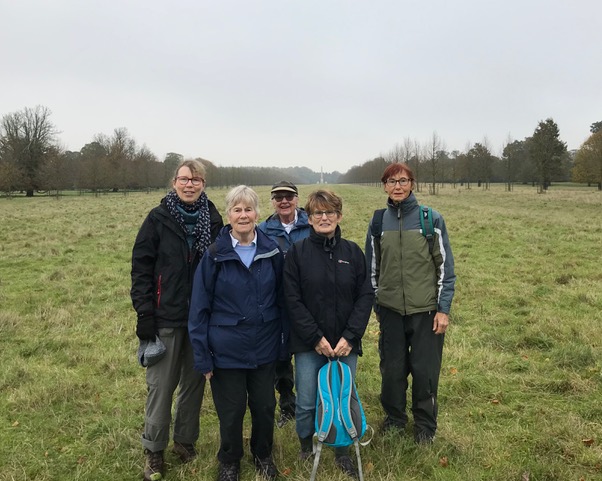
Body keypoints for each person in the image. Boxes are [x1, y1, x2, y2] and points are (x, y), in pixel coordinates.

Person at [130, 159, 224, 481]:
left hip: (200, 320)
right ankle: (154, 451)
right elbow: (141, 268)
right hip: (165, 318)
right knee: (161, 387)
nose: (189, 184)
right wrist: (144, 313)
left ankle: (185, 442)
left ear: (203, 183)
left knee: (194, 385)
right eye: (184, 179)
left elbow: (219, 268)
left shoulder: (212, 219)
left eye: (196, 179)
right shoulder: (157, 219)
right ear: (174, 182)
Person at [188, 185, 286, 481]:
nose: (243, 215)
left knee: (265, 407)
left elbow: (284, 302)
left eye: (248, 209)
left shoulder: (273, 252)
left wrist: (284, 348)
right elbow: (198, 309)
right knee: (230, 412)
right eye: (237, 210)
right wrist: (203, 357)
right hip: (226, 352)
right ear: (228, 214)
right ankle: (229, 461)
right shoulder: (214, 255)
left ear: (258, 213)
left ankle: (263, 455)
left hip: (264, 348)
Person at [283, 190, 373, 479]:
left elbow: (365, 295)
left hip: (346, 345)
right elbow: (292, 299)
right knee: (308, 400)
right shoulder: (297, 253)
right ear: (308, 219)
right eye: (317, 213)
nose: (324, 218)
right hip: (310, 345)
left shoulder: (352, 252)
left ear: (339, 216)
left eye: (329, 212)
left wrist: (351, 336)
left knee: (341, 397)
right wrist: (315, 338)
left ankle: (342, 449)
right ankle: (306, 445)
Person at [364, 163, 456, 444]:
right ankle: (394, 420)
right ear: (384, 186)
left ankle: (425, 427)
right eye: (391, 181)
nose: (398, 186)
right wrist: (378, 305)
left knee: (425, 371)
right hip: (390, 311)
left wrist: (443, 309)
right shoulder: (378, 222)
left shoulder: (431, 219)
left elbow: (445, 268)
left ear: (412, 183)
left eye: (403, 180)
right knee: (391, 370)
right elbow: (372, 269)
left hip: (426, 312)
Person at [258, 180, 310, 427]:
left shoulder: (311, 224)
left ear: (297, 199)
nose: (284, 201)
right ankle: (287, 404)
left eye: (288, 196)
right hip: (276, 304)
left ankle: (313, 404)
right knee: (280, 358)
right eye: (278, 197)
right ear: (273, 201)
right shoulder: (263, 229)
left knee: (310, 353)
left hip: (308, 303)